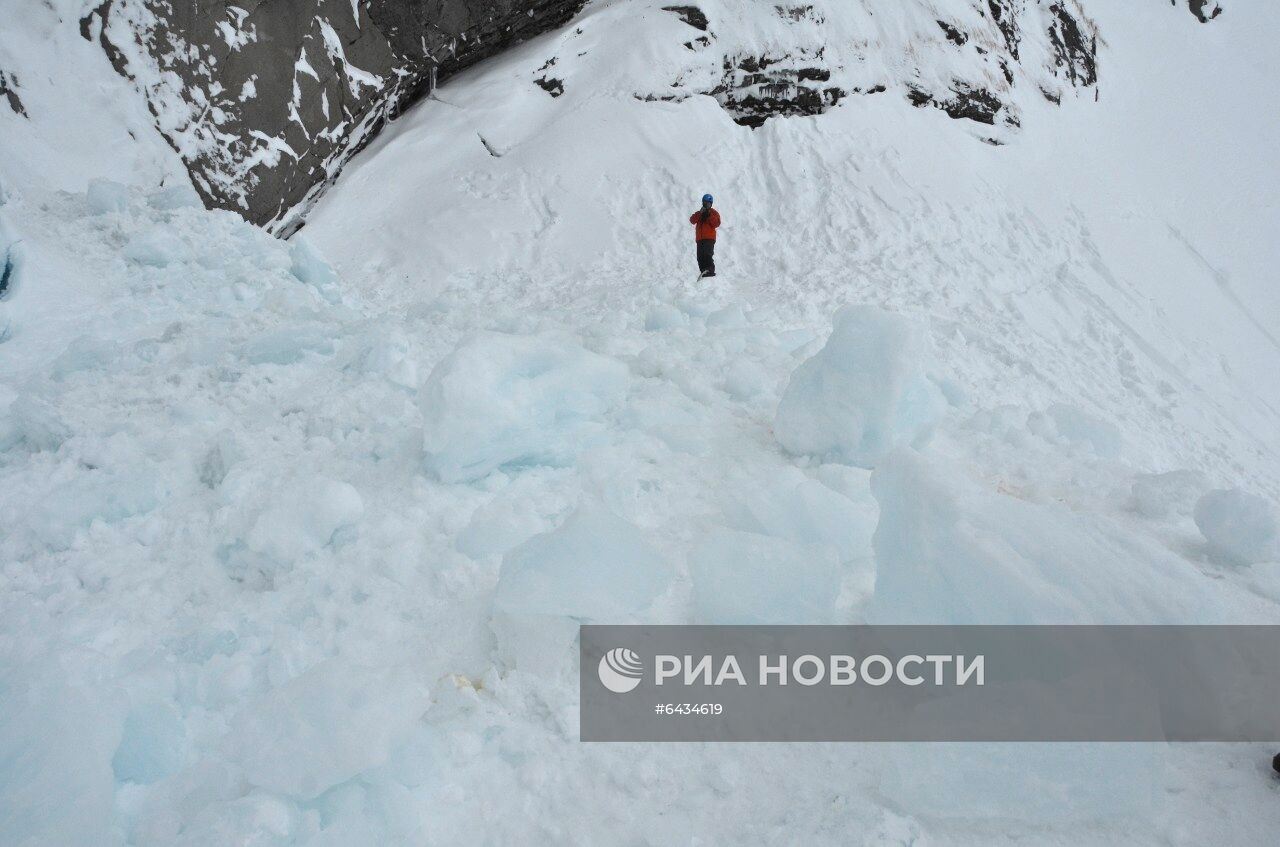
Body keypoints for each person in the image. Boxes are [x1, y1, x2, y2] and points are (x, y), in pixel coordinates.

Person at [689, 193, 720, 278]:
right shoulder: (700, 212)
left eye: (708, 203)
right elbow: (692, 220)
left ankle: (710, 270)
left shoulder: (713, 213)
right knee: (700, 256)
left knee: (707, 254)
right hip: (700, 239)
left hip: (709, 238)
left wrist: (709, 215)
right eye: (705, 203)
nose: (706, 205)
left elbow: (717, 223)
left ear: (711, 203)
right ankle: (703, 271)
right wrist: (700, 213)